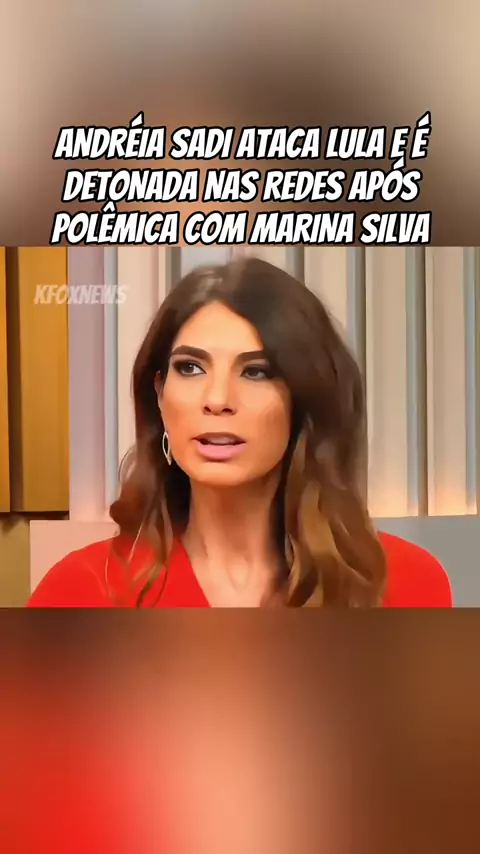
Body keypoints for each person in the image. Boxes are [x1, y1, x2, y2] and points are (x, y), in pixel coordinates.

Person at [27, 258, 452, 608]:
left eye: (256, 371)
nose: (217, 399)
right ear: (159, 393)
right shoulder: (81, 591)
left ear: (304, 398)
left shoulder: (405, 583)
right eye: (190, 368)